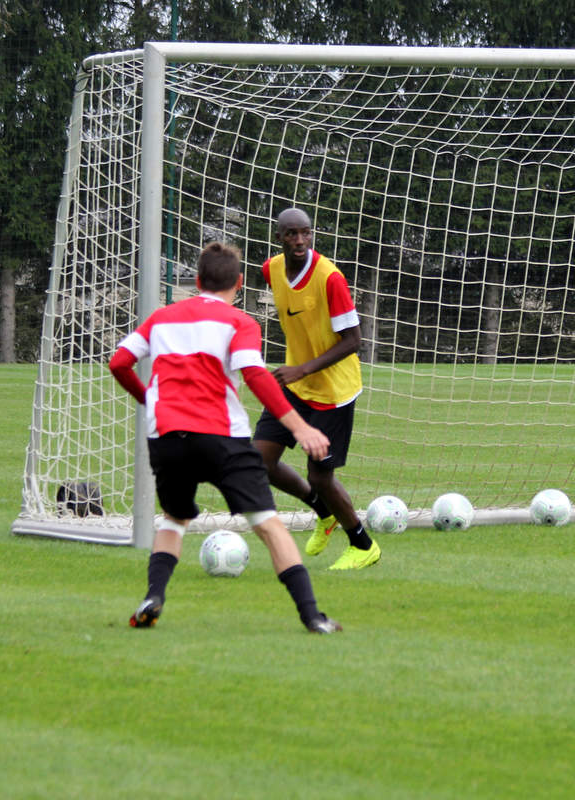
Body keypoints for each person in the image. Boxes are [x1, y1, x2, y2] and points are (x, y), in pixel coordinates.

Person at [109, 241, 340, 634]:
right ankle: (312, 616)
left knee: (174, 518)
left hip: (167, 436)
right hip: (221, 437)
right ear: (237, 284)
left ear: (197, 280)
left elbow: (119, 361)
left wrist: (149, 399)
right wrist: (300, 428)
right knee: (268, 524)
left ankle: (153, 596)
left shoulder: (161, 318)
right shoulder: (240, 322)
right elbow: (254, 374)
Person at [254, 208, 379, 571]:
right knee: (259, 461)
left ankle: (363, 544)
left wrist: (302, 368)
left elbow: (354, 340)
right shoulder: (271, 269)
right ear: (279, 237)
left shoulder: (329, 278)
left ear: (312, 235)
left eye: (305, 233)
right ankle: (325, 515)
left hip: (333, 391)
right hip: (295, 384)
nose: (299, 241)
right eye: (291, 234)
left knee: (319, 475)